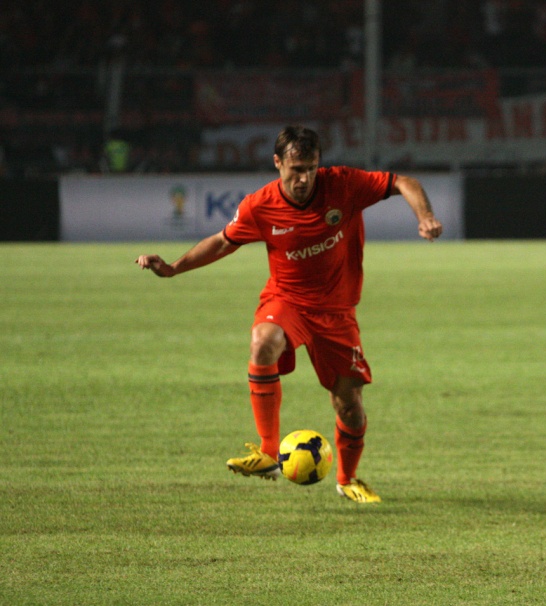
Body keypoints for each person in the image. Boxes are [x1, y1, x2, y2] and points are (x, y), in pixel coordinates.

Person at [135, 125, 443, 503]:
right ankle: (267, 452)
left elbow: (404, 182)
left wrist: (424, 217)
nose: (304, 178)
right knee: (263, 341)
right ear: (277, 163)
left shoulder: (343, 184)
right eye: (296, 169)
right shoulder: (259, 205)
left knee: (350, 406)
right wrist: (173, 268)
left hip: (336, 311)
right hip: (288, 300)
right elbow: (221, 242)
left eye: (311, 168)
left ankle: (347, 480)